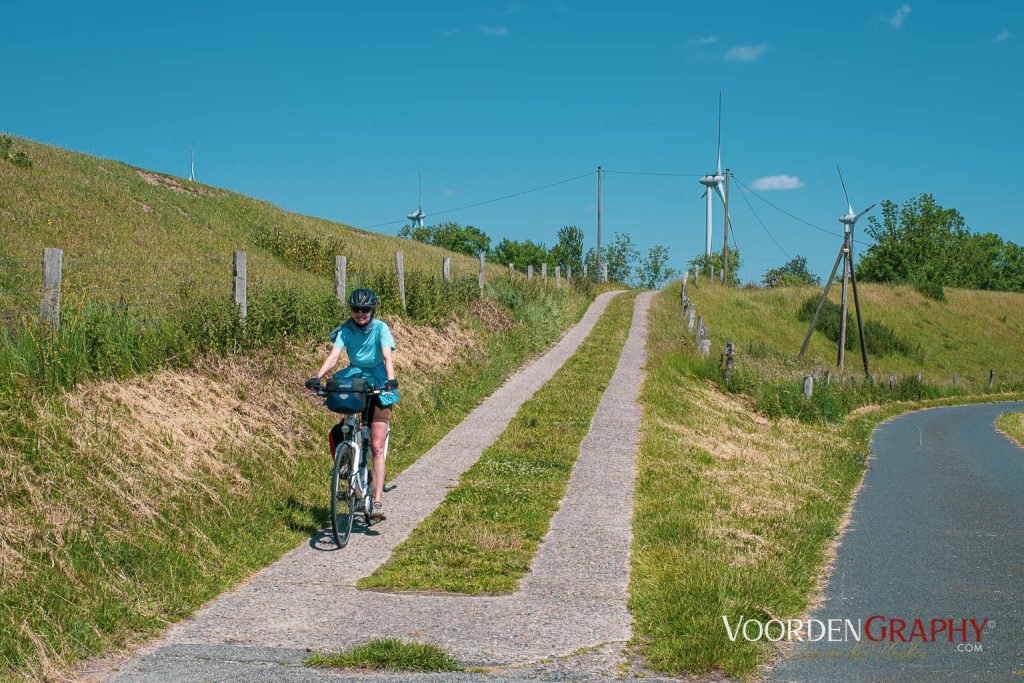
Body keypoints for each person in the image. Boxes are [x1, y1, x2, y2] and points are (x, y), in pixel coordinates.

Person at [306, 288, 398, 522]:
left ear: (372, 310)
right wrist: (318, 377)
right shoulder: (346, 330)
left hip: (378, 380)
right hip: (355, 377)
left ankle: (376, 501)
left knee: (376, 444)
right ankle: (346, 461)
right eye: (356, 309)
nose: (360, 313)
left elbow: (387, 356)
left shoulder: (381, 328)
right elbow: (335, 356)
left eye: (365, 310)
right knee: (343, 426)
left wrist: (389, 380)